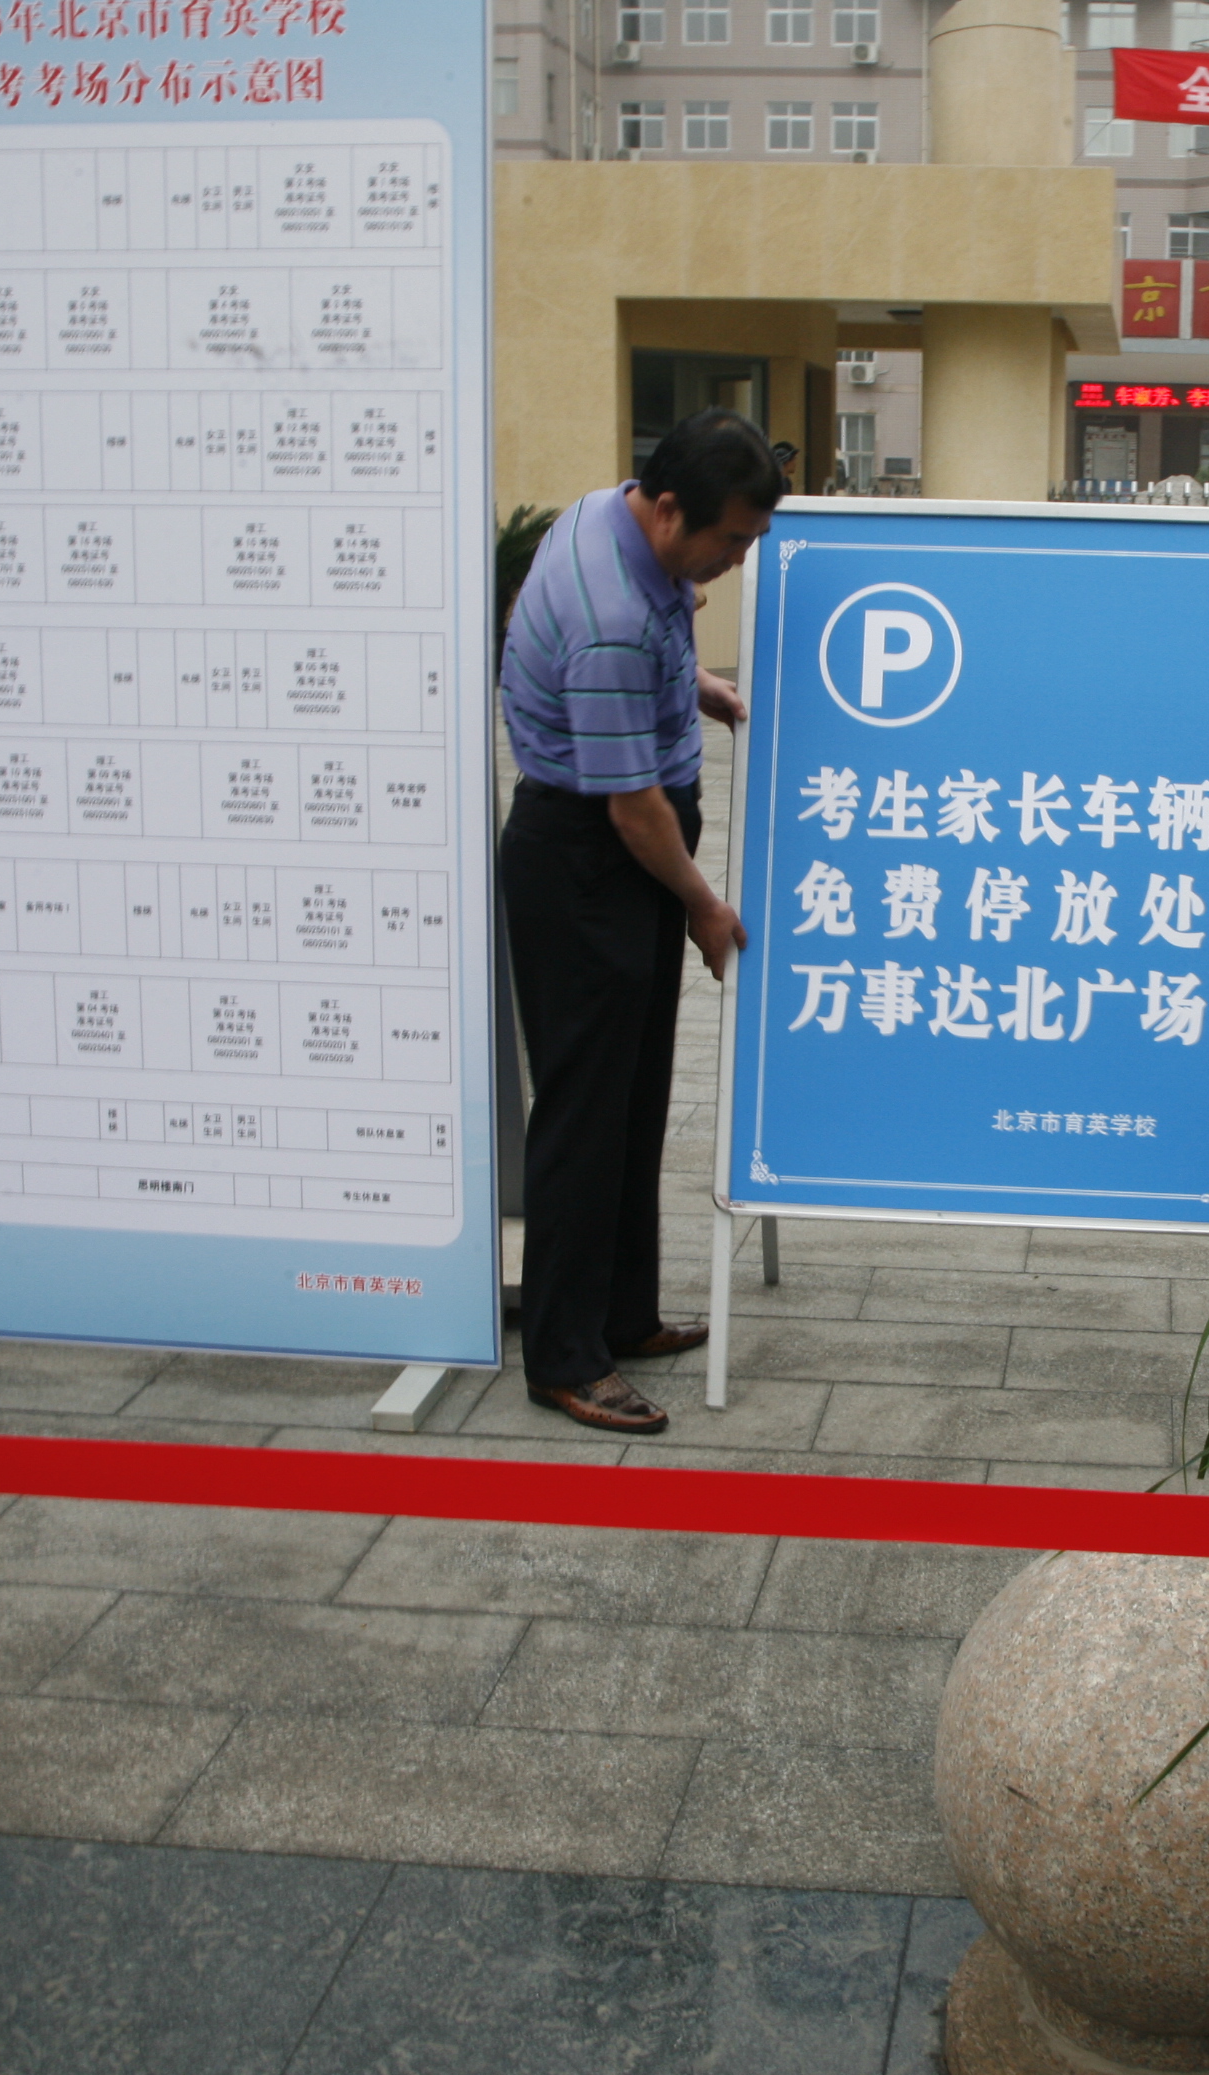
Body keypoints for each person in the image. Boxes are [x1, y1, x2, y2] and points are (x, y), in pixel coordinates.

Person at [497, 409, 783, 1433]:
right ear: (668, 510)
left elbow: (650, 649)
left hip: (617, 851)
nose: (736, 562)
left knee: (632, 1100)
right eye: (732, 541)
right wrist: (704, 907)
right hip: (589, 860)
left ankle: (622, 1312)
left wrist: (700, 687)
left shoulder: (603, 512)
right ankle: (565, 1357)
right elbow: (633, 811)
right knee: (585, 1117)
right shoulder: (611, 612)